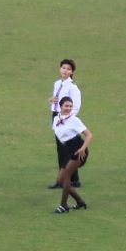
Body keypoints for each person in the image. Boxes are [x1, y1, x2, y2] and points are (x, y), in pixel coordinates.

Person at [51, 97, 91, 213]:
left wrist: (83, 148)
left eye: (70, 106)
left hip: (78, 149)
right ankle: (80, 202)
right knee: (60, 181)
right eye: (66, 106)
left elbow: (89, 135)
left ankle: (63, 205)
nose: (68, 108)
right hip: (67, 150)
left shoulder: (74, 120)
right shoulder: (56, 119)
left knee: (66, 176)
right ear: (61, 106)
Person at [48, 60, 82, 189]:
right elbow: (57, 102)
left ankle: (62, 180)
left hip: (65, 119)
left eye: (68, 69)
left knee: (66, 150)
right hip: (56, 117)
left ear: (72, 72)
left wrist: (66, 119)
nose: (65, 71)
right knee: (62, 149)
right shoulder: (57, 84)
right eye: (63, 68)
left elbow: (76, 106)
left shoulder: (73, 88)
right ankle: (74, 179)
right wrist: (52, 101)